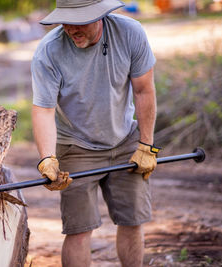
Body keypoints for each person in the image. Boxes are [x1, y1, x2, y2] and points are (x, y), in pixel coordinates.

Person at [31, 0, 160, 266]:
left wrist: (146, 145)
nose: (70, 28)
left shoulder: (129, 33)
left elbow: (144, 90)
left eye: (79, 21)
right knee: (78, 230)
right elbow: (43, 110)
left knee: (133, 221)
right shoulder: (49, 51)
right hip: (76, 146)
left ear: (100, 16)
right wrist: (47, 158)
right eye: (65, 20)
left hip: (125, 141)